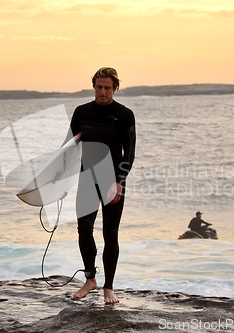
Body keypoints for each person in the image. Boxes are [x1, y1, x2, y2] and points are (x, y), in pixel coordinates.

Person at [68, 67, 136, 304]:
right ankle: (90, 279)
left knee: (110, 234)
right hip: (87, 178)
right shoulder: (82, 112)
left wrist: (119, 182)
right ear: (93, 86)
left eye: (107, 87)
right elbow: (69, 147)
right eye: (99, 87)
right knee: (84, 230)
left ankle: (109, 287)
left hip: (112, 182)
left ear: (115, 88)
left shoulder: (124, 115)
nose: (103, 92)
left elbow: (130, 152)